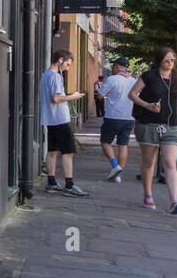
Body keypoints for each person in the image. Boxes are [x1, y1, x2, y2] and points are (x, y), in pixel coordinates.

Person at [129, 46, 177, 214]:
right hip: (149, 124)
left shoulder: (176, 77)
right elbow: (132, 94)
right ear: (159, 60)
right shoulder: (148, 76)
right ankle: (148, 195)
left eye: (173, 60)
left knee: (169, 162)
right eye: (167, 60)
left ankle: (174, 201)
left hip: (171, 125)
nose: (170, 63)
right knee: (149, 162)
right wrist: (147, 105)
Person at [40, 49, 87, 196]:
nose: (68, 67)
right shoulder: (56, 77)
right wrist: (74, 96)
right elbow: (57, 98)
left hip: (50, 118)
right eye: (67, 64)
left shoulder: (45, 75)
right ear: (60, 60)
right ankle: (69, 185)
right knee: (69, 152)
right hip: (60, 119)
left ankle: (51, 182)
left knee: (52, 151)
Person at [97, 58, 136, 183]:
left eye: (114, 66)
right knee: (123, 145)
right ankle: (118, 175)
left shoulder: (112, 79)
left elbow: (100, 95)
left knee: (105, 142)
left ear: (118, 67)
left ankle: (115, 166)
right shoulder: (133, 81)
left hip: (113, 117)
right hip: (129, 118)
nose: (112, 68)